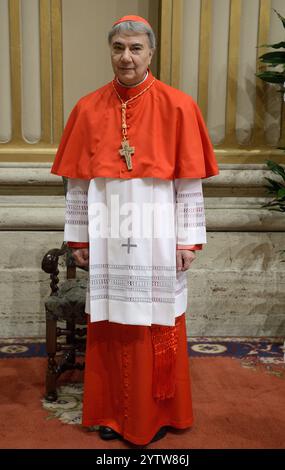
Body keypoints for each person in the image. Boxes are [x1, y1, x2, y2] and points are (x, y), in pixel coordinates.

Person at [51, 15, 219, 446]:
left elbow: (189, 184)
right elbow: (77, 184)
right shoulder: (88, 108)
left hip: (159, 242)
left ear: (150, 52)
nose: (126, 57)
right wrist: (79, 238)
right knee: (112, 326)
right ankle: (111, 414)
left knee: (156, 323)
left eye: (135, 48)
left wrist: (187, 240)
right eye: (119, 48)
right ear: (110, 51)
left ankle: (158, 414)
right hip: (109, 241)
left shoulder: (179, 106)